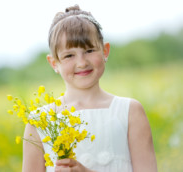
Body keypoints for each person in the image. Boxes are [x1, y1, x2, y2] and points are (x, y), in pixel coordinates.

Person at [22, 4, 157, 172]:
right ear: (54, 63)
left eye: (90, 50)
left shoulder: (130, 111)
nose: (82, 62)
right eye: (69, 55)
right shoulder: (39, 122)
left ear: (105, 51)